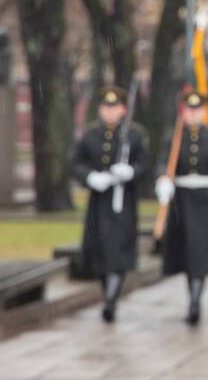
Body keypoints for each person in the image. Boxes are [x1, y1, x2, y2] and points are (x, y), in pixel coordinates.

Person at [154, 90, 208, 324]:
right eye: (189, 110)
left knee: (200, 252)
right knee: (186, 252)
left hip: (207, 202)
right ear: (183, 112)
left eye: (197, 110)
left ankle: (195, 301)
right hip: (181, 202)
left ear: (204, 111)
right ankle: (193, 296)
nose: (193, 114)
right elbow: (161, 162)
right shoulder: (174, 137)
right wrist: (162, 179)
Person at [70, 85, 149, 323]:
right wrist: (90, 178)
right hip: (99, 201)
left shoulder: (134, 134)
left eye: (115, 107)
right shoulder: (91, 134)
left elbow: (144, 164)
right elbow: (76, 163)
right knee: (100, 250)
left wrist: (130, 171)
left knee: (119, 250)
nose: (110, 112)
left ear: (124, 109)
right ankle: (108, 292)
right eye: (106, 107)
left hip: (123, 201)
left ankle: (110, 301)